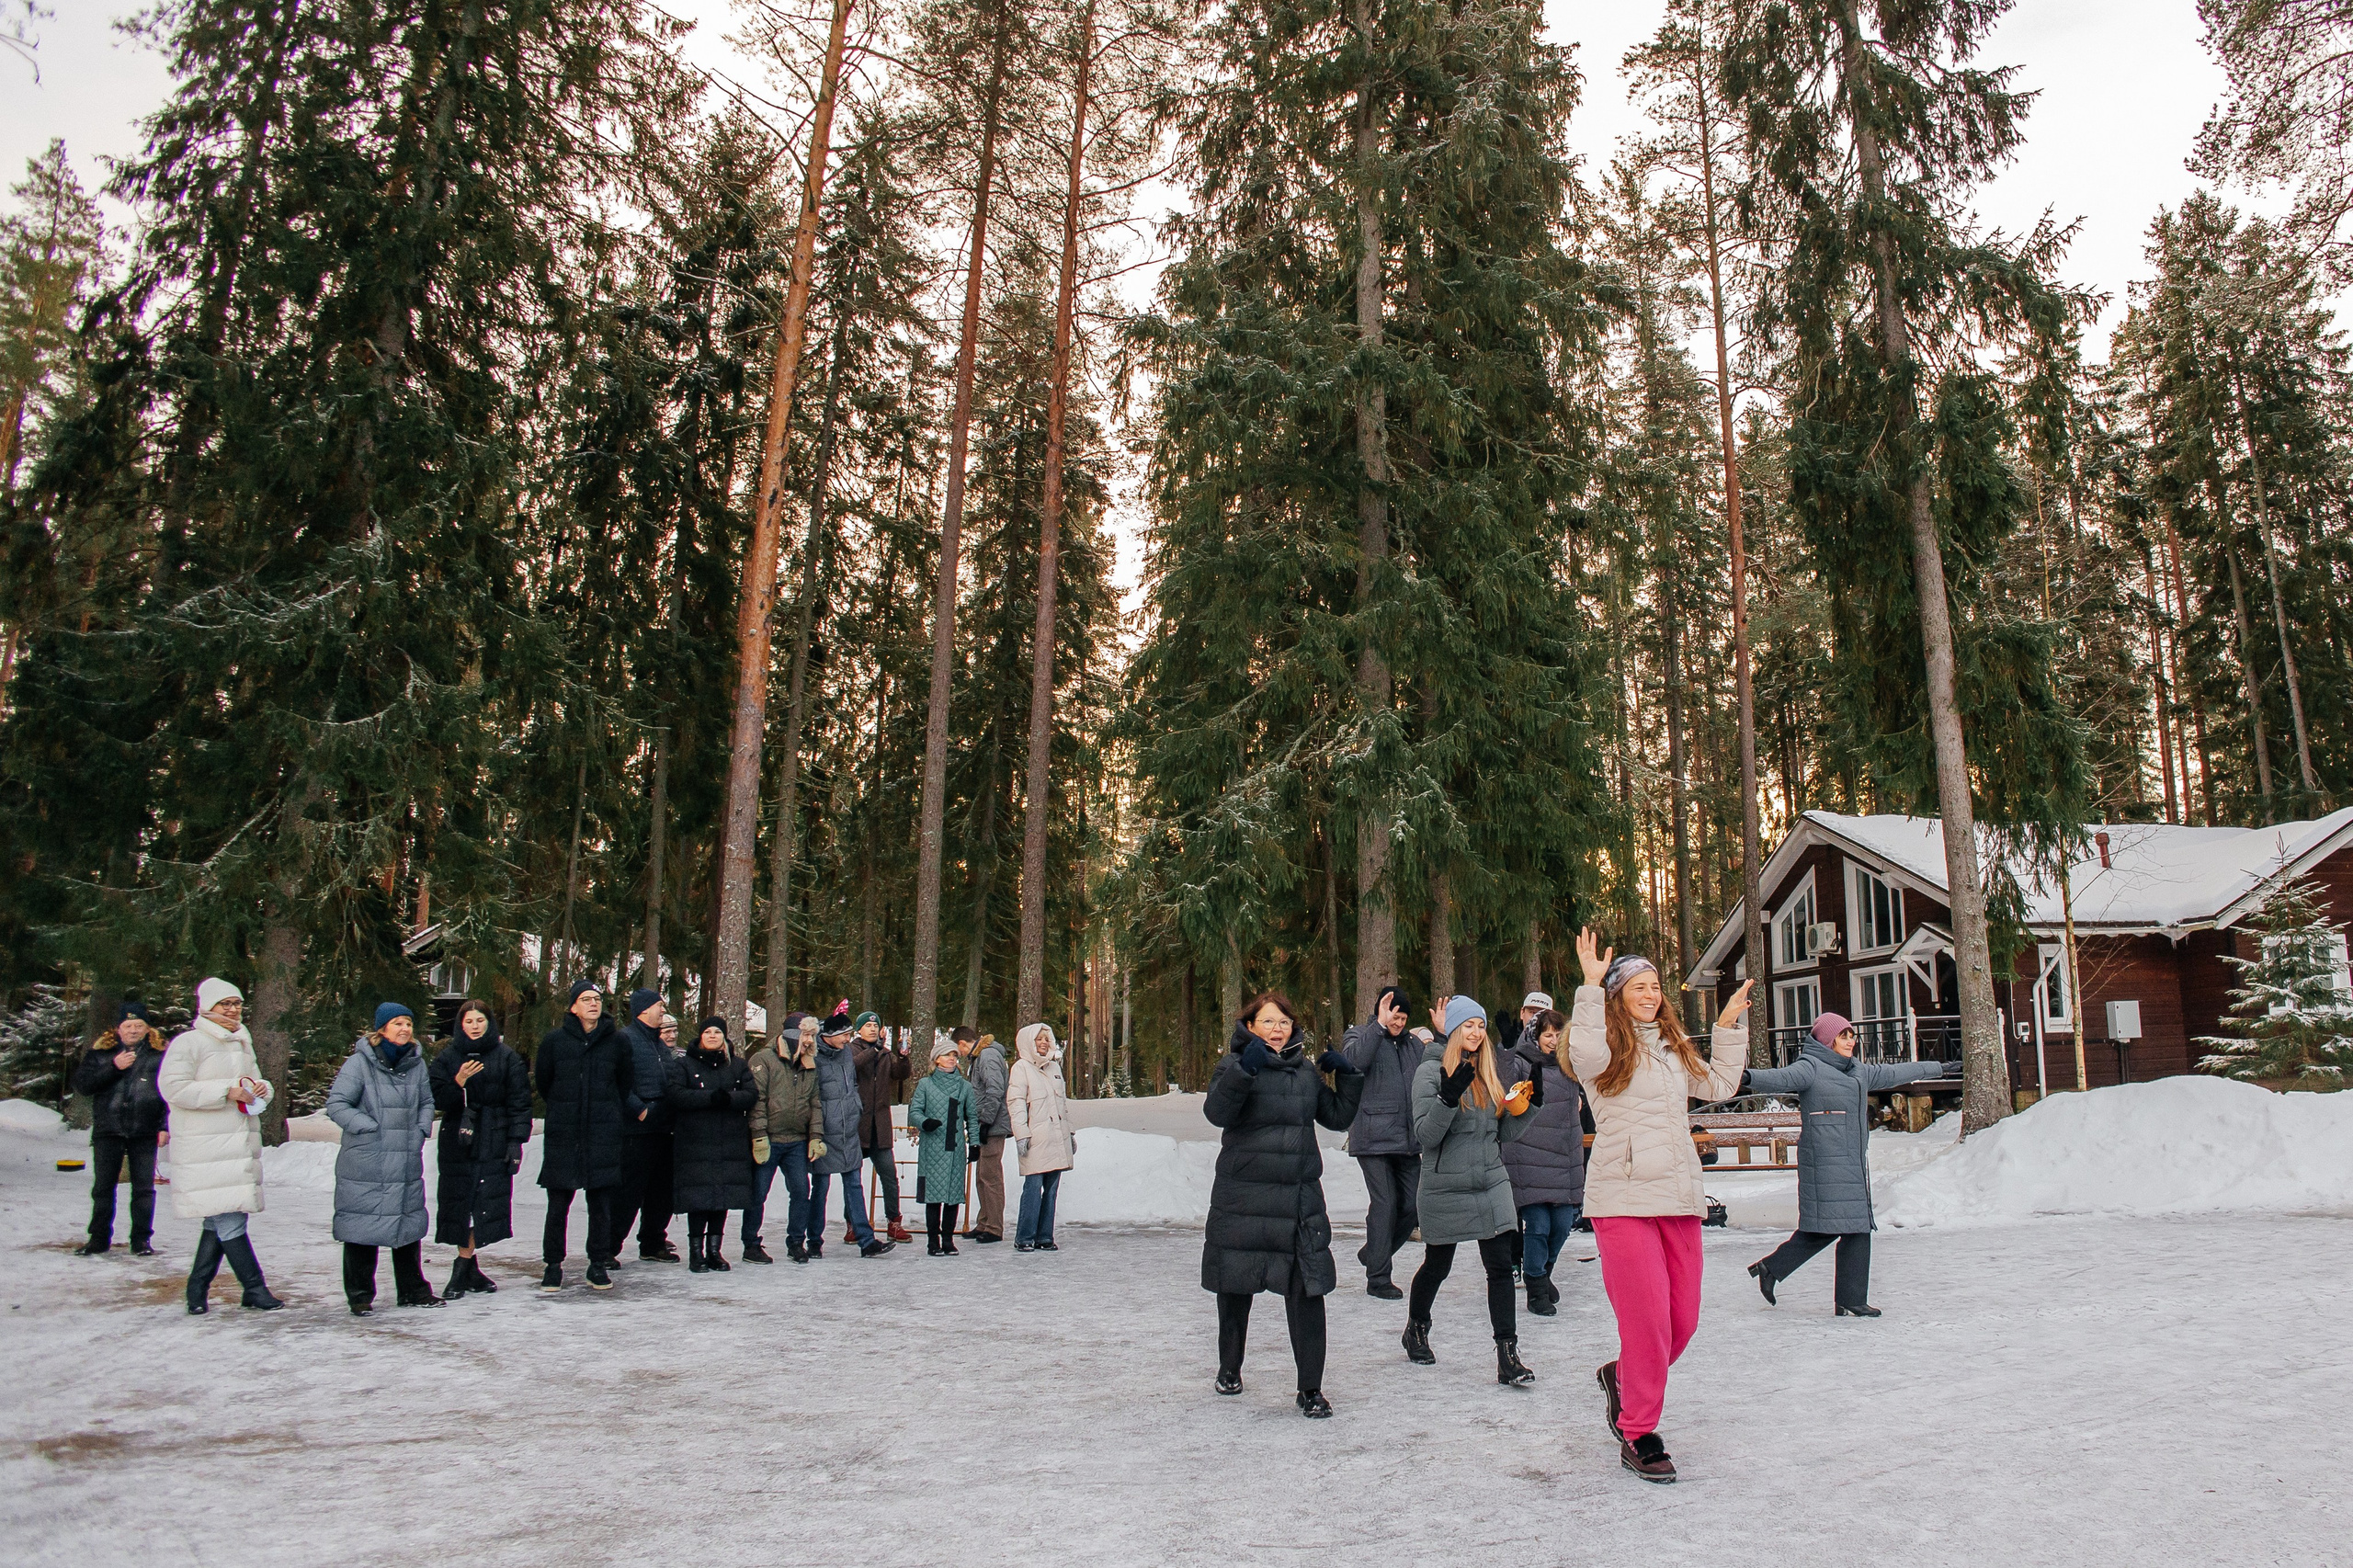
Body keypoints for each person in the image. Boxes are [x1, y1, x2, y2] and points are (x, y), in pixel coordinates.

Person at [1568, 930, 1750, 1483]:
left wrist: (1727, 1026)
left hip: (1678, 1195)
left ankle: (1623, 1376)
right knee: (1647, 1323)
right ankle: (1639, 1431)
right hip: (1622, 1198)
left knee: (1682, 1322)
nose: (1650, 995)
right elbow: (1582, 1052)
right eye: (1638, 987)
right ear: (1618, 996)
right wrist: (1590, 987)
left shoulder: (1674, 1047)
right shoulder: (1603, 1047)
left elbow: (1721, 1084)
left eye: (1654, 987)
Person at [1200, 993, 1364, 1418]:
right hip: (1245, 1198)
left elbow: (1337, 1117)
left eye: (1284, 1022)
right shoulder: (1233, 1065)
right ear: (1250, 1026)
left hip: (1297, 1203)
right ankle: (1229, 1368)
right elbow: (1217, 1112)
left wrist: (1348, 1076)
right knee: (1235, 1288)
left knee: (1307, 1291)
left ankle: (1310, 1388)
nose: (1277, 1029)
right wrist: (1245, 1071)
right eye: (1269, 1022)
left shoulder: (1304, 1071)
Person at [1744, 1011, 1957, 1315]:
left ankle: (1804, 1280)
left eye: (1851, 1035)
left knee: (1847, 1225)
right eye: (1842, 1036)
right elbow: (1781, 1077)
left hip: (1851, 1162)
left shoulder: (1858, 1070)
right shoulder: (1810, 1067)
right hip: (1824, 1162)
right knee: (1842, 1225)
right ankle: (1835, 1292)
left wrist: (1938, 1068)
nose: (1850, 1041)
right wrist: (1748, 1077)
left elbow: (1894, 1073)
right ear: (1827, 1040)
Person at [1402, 995, 1540, 1388]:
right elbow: (1426, 1136)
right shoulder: (1429, 1073)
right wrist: (1447, 1099)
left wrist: (1530, 1107)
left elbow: (1500, 1134)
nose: (1477, 1032)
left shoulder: (1487, 1072)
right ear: (1453, 1030)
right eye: (1468, 1025)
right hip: (1445, 1186)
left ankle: (1508, 1356)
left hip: (1490, 1182)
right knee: (1437, 1266)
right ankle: (1416, 1328)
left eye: (1481, 1025)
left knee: (1500, 1268)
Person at [160, 978, 283, 1313]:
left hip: (237, 1142)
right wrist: (225, 1091)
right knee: (230, 1219)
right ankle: (254, 1288)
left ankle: (196, 1291)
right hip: (205, 1147)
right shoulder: (189, 1042)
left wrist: (262, 1089)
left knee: (219, 1220)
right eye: (224, 1004)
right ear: (207, 1007)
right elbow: (173, 1088)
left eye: (237, 1003)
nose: (232, 1010)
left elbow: (255, 1080)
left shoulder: (242, 1041)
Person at [325, 1002, 443, 1315]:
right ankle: (360, 1296)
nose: (405, 1029)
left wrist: (421, 1128)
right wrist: (369, 1128)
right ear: (382, 1028)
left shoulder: (416, 1064)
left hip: (405, 1158)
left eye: (408, 1023)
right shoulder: (359, 1063)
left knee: (407, 1224)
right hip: (367, 1159)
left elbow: (426, 1102)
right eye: (397, 1023)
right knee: (362, 1226)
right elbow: (337, 1104)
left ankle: (413, 1291)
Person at [535, 978, 637, 1292]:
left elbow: (624, 1084)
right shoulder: (554, 1041)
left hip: (603, 1134)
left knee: (601, 1206)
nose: (593, 1004)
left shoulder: (617, 1042)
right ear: (573, 1007)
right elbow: (544, 1083)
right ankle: (553, 1265)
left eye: (597, 999)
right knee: (558, 1206)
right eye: (586, 999)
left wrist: (608, 1113)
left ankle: (598, 1264)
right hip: (564, 1135)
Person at [428, 999, 532, 1298]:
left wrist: (515, 1142)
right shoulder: (448, 1057)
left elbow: (519, 1103)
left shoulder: (506, 1057)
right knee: (462, 1202)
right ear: (460, 1025)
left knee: (483, 1202)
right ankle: (466, 1268)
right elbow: (436, 1098)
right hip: (458, 1141)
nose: (474, 1027)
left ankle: (465, 1268)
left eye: (480, 1021)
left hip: (493, 1139)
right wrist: (458, 1082)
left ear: (489, 1023)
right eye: (469, 1021)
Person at [1341, 984, 1424, 1299]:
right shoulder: (1359, 1035)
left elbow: (1439, 1067)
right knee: (1385, 1204)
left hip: (1407, 1140)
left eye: (1403, 1018)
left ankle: (1374, 1252)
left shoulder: (1414, 1045)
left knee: (1414, 1205)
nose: (1398, 1023)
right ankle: (1378, 1278)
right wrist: (1378, 1026)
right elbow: (1353, 1063)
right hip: (1372, 1138)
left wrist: (1443, 1037)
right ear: (1380, 1011)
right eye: (1393, 1016)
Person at [1501, 1006, 1585, 1318]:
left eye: (1558, 1034)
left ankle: (1542, 1273)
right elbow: (1503, 1083)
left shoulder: (1570, 1065)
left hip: (1563, 1157)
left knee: (1562, 1226)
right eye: (1547, 1034)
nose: (1553, 1039)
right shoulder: (1522, 1062)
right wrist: (1506, 1050)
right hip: (1528, 1157)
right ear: (1535, 1037)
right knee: (1538, 1226)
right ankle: (1535, 1287)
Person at [73, 1001, 167, 1256]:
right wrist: (114, 1067)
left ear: (148, 1029)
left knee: (144, 1189)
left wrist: (164, 1126)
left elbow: (168, 1094)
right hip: (109, 1129)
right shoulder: (101, 1053)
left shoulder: (160, 1055)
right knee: (103, 1188)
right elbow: (83, 1085)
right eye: (128, 1025)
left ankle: (141, 1240)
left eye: (139, 1025)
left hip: (145, 1129)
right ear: (118, 1028)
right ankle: (98, 1238)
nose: (133, 1030)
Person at [668, 1017, 757, 1273]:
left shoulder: (737, 1065)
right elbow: (675, 1094)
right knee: (698, 1198)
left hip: (729, 1141)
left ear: (724, 1037)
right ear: (700, 1036)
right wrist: (709, 1098)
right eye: (707, 1032)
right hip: (695, 1141)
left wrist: (728, 1099)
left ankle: (715, 1251)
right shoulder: (684, 1064)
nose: (712, 1036)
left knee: (722, 1197)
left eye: (717, 1032)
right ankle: (696, 1253)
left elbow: (751, 1094)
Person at [810, 1006, 893, 1257]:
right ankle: (814, 1241)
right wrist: (816, 1130)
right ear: (830, 1035)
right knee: (820, 1189)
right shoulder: (814, 1056)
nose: (849, 1039)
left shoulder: (845, 1053)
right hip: (825, 1133)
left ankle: (866, 1241)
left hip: (849, 1130)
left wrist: (856, 1106)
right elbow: (811, 1096)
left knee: (854, 1186)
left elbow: (853, 1083)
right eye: (845, 1035)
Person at [745, 1011, 821, 1263]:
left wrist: (816, 1136)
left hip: (796, 1141)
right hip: (769, 1138)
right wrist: (758, 1134)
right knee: (758, 1193)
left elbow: (815, 1102)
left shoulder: (810, 1063)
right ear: (792, 1035)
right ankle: (750, 1244)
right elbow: (757, 1100)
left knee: (801, 1191)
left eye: (812, 1035)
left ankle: (796, 1242)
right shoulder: (763, 1059)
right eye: (806, 1034)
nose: (810, 1040)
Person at [613, 987, 678, 1263]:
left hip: (664, 1126)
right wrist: (638, 1110)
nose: (663, 1010)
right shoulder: (625, 1039)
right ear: (643, 1009)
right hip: (637, 1130)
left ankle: (652, 1242)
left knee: (662, 1191)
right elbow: (616, 1082)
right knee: (628, 1192)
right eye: (659, 1006)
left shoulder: (660, 1044)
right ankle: (608, 1247)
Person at [909, 1036, 981, 1256]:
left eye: (954, 1055)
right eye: (947, 1055)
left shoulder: (964, 1087)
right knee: (933, 1196)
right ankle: (933, 1241)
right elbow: (914, 1111)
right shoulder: (925, 1084)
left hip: (955, 1147)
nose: (951, 1059)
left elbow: (972, 1117)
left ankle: (948, 1239)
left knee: (953, 1196)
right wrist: (925, 1122)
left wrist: (975, 1143)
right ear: (936, 1059)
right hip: (932, 1147)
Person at [1007, 1022, 1074, 1252]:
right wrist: (1021, 1134)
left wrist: (1070, 1132)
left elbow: (1062, 1104)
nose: (1044, 1043)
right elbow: (1016, 1103)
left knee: (1052, 1189)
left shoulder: (1054, 1068)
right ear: (1029, 1042)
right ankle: (1025, 1236)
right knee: (1033, 1188)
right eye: (1039, 1039)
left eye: (1047, 1039)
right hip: (1035, 1139)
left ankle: (1045, 1236)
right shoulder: (1021, 1068)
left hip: (1057, 1138)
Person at [848, 1010, 913, 1244]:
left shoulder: (885, 1054)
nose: (873, 1029)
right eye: (868, 1026)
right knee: (853, 1179)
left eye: (875, 1026)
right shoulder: (851, 1050)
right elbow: (853, 1066)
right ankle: (853, 1224)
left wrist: (903, 1057)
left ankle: (894, 1222)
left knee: (889, 1176)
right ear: (859, 1030)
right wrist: (874, 1050)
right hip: (858, 1125)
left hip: (880, 1125)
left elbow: (900, 1074)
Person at [961, 1028, 1012, 1243]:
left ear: (962, 1043)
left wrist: (986, 1121)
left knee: (991, 1177)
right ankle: (984, 1222)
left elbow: (995, 1090)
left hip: (992, 1125)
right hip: (984, 1124)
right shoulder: (979, 1057)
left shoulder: (988, 1055)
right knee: (982, 1175)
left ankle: (994, 1227)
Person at [1497, 990, 1555, 1056]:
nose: (1536, 1018)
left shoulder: (1558, 1044)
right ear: (1522, 1013)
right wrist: (1508, 1046)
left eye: (1542, 1014)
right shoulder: (1511, 1041)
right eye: (1532, 1012)